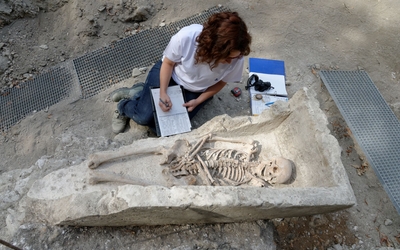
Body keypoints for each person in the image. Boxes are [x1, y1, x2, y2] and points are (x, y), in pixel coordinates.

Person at [110, 11, 252, 134]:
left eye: (235, 56)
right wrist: (163, 93)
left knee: (161, 129)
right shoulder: (187, 37)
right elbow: (168, 63)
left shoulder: (236, 58)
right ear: (213, 49)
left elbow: (221, 82)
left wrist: (198, 101)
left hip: (196, 90)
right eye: (227, 56)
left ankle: (141, 93)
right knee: (144, 117)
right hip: (171, 75)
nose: (231, 61)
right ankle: (124, 106)